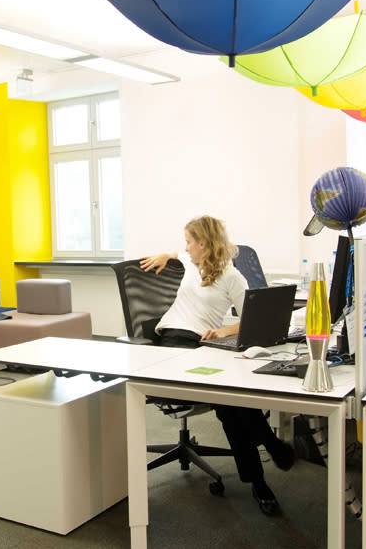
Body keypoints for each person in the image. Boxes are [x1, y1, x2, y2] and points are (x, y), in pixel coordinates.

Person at [141, 215, 295, 516]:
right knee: (230, 401)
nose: (184, 247)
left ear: (203, 243)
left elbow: (252, 318)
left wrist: (224, 331)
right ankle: (269, 454)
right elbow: (176, 254)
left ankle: (260, 478)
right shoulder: (189, 262)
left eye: (189, 241)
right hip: (171, 344)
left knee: (230, 403)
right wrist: (166, 254)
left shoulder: (232, 277)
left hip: (201, 346)